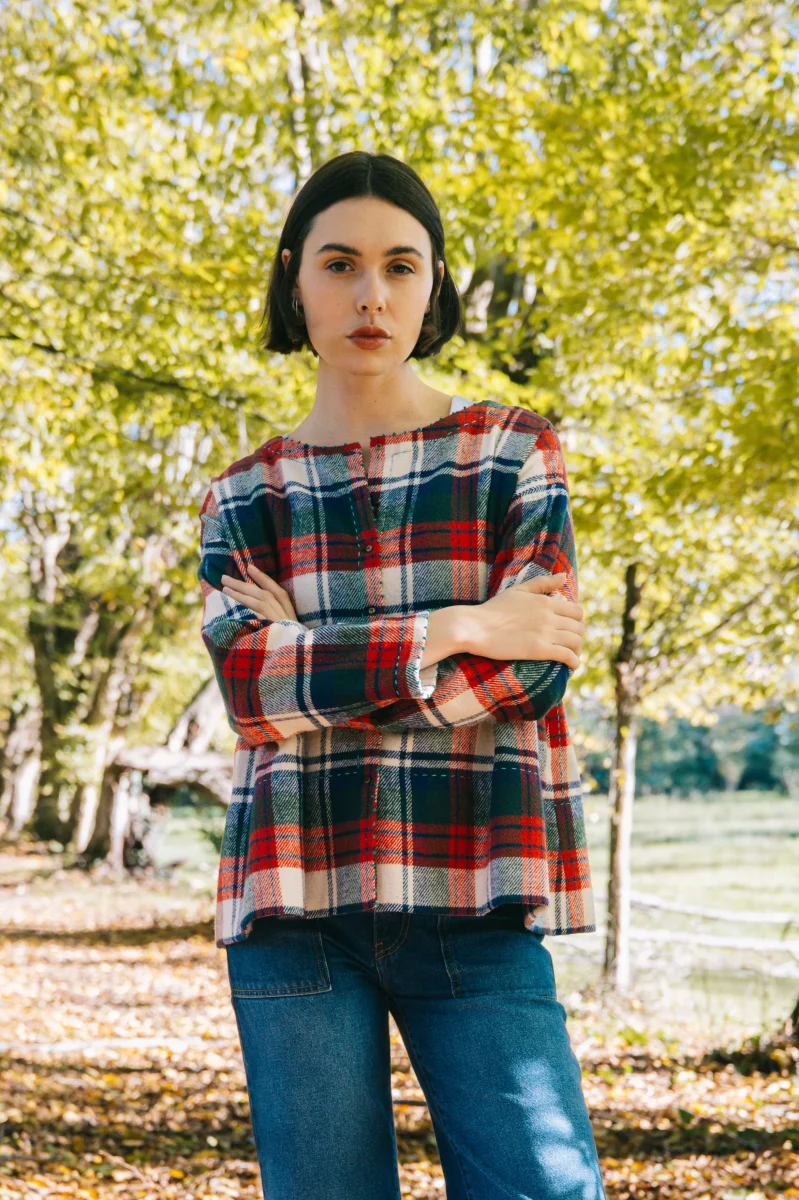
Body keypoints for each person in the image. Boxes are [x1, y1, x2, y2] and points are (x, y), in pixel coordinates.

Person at [197, 150, 605, 1200]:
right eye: (339, 264)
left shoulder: (512, 454)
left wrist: (315, 659)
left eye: (399, 266)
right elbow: (248, 690)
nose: (370, 295)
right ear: (295, 280)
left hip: (475, 886)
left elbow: (532, 677)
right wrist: (460, 625)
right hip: (293, 900)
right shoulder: (245, 495)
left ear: (434, 285)